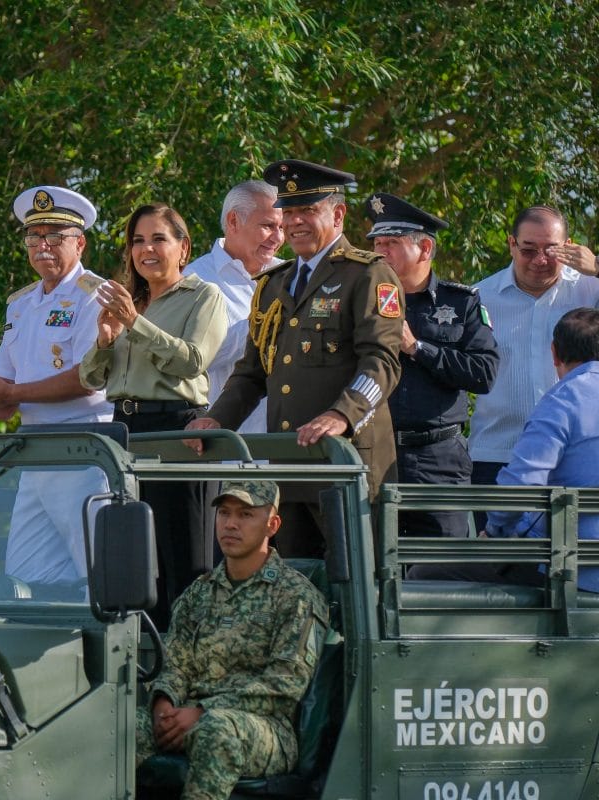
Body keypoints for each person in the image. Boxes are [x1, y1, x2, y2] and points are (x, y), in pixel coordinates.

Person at [185, 160, 404, 557]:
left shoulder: (368, 275)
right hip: (287, 465)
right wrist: (216, 421)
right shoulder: (273, 284)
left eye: (309, 211)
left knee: (354, 589)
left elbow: (383, 362)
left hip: (346, 465)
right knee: (295, 585)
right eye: (290, 212)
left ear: (337, 214)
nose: (296, 223)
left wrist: (342, 414)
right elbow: (252, 373)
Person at [0, 185, 112, 596]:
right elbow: (7, 386)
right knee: (27, 571)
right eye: (34, 237)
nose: (42, 246)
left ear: (80, 243)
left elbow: (87, 378)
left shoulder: (96, 296)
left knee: (102, 572)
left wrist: (11, 395)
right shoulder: (21, 304)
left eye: (55, 237)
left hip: (82, 450)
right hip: (34, 449)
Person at [137, 480, 329, 800]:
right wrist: (163, 705)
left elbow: (283, 685)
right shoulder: (200, 592)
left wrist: (201, 711)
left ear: (272, 524)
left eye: (245, 514)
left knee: (217, 730)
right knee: (123, 723)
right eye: (224, 513)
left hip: (265, 729)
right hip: (190, 716)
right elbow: (175, 662)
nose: (230, 524)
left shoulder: (296, 596)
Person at [80, 203, 228, 617]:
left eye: (159, 239)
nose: (146, 249)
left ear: (183, 248)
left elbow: (192, 361)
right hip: (125, 429)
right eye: (137, 241)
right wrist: (107, 339)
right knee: (135, 557)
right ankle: (143, 657)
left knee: (184, 555)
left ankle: (189, 659)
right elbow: (91, 380)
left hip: (178, 429)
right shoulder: (133, 302)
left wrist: (135, 323)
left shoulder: (204, 295)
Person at [409, 308, 599, 590]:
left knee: (424, 577)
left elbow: (523, 486)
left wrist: (494, 531)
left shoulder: (564, 400)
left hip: (570, 569)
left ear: (554, 354)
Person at [364, 193, 499, 537]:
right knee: (372, 566)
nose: (381, 252)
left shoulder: (462, 303)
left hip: (438, 459)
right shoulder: (361, 299)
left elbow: (483, 374)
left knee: (441, 569)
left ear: (424, 249)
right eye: (377, 243)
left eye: (392, 243)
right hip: (376, 453)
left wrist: (417, 348)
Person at [468, 206, 599, 488]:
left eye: (551, 251)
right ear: (511, 244)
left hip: (576, 455)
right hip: (497, 454)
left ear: (569, 247)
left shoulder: (591, 289)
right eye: (528, 250)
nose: (540, 260)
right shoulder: (478, 299)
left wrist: (598, 267)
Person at [182, 181, 285, 434]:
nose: (279, 237)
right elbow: (193, 359)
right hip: (227, 441)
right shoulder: (193, 280)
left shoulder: (290, 275)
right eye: (268, 226)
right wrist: (265, 322)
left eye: (282, 227)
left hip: (287, 441)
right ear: (233, 221)